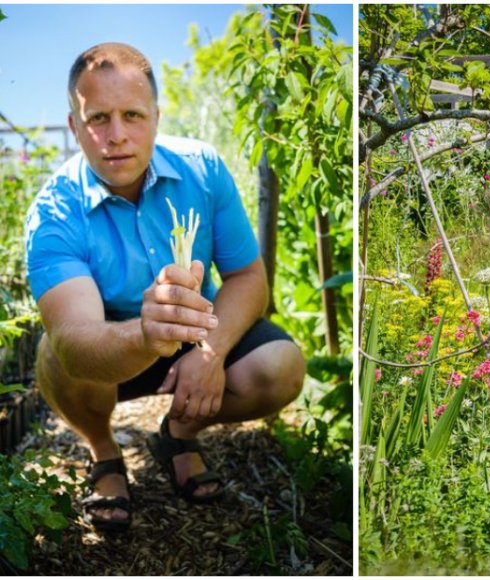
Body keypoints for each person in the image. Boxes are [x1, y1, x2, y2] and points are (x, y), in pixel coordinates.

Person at [24, 42, 306, 532]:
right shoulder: (53, 211)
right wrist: (144, 335)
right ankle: (105, 453)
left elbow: (247, 277)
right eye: (98, 119)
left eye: (132, 114)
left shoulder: (203, 169)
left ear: (156, 115)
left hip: (197, 335)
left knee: (281, 367)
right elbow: (74, 338)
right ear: (75, 127)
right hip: (109, 350)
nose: (116, 136)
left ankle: (178, 433)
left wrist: (211, 352)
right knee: (56, 356)